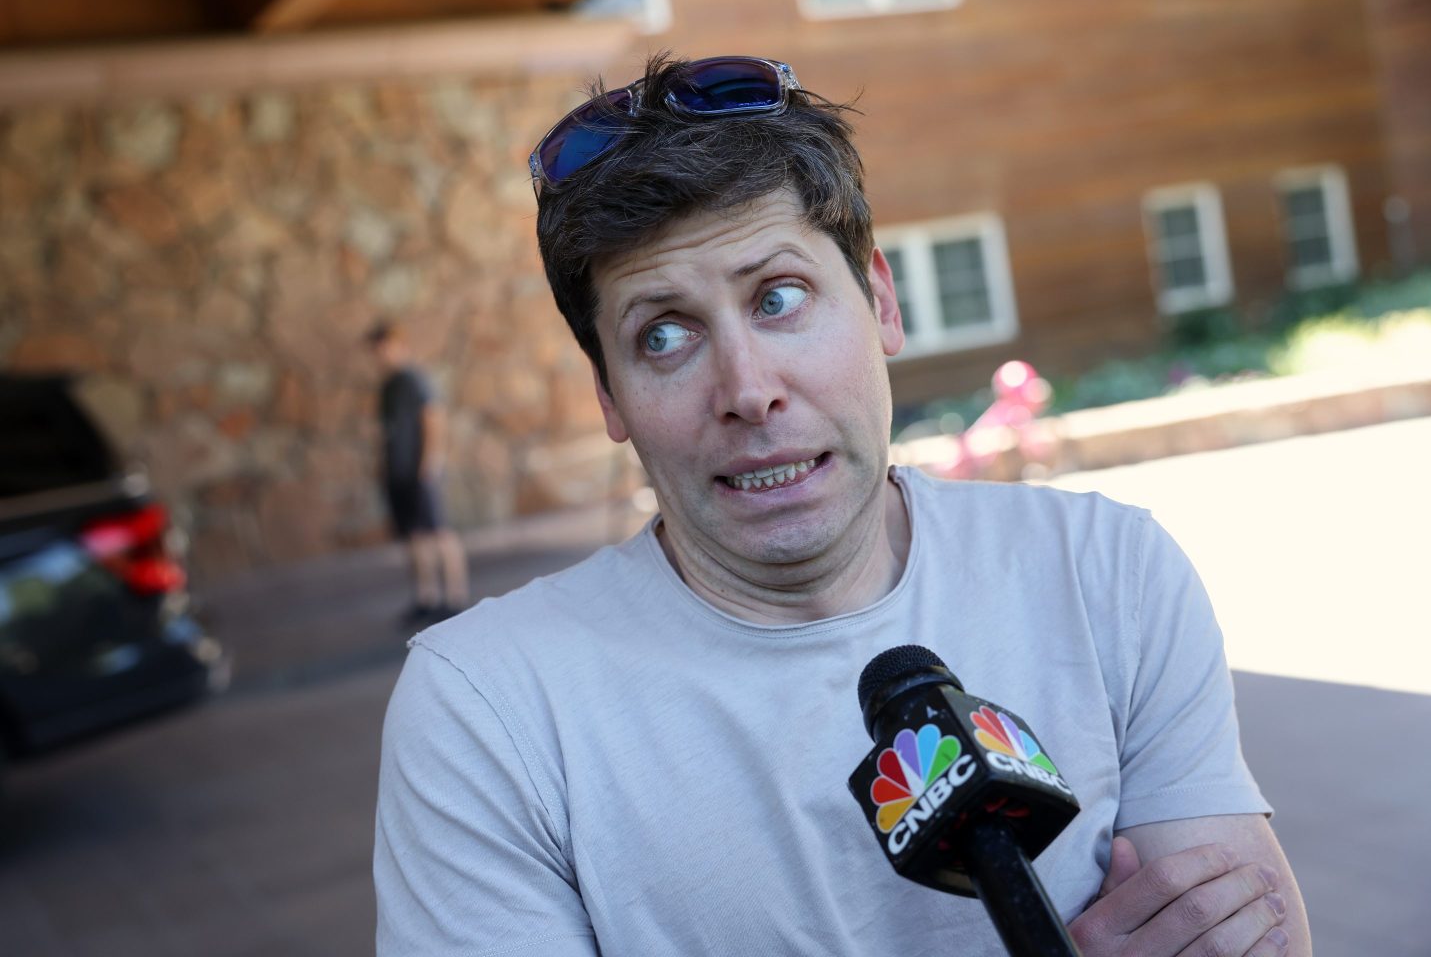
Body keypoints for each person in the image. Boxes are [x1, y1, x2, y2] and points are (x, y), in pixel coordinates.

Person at [374, 54, 1310, 956]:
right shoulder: (487, 711)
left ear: (879, 301)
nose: (748, 389)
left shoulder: (1107, 573)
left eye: (778, 297)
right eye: (663, 334)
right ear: (610, 397)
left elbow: (1253, 935)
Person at [367, 320, 469, 626]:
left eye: (383, 348)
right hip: (397, 473)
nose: (380, 356)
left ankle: (455, 598)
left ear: (399, 345)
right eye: (376, 351)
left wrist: (430, 462)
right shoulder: (388, 385)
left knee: (438, 532)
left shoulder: (414, 379)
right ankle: (427, 598)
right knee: (414, 536)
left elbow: (433, 417)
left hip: (420, 471)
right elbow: (385, 431)